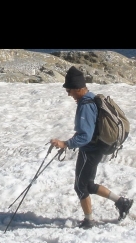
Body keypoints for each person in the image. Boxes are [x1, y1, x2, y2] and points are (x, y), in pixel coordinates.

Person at [50, 66, 133, 229]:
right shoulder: (92, 98)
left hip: (90, 150)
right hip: (97, 148)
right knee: (88, 184)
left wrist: (65, 143)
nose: (69, 94)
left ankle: (88, 221)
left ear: (79, 88)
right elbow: (89, 130)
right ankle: (122, 202)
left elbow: (85, 136)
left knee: (80, 186)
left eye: (70, 90)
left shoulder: (85, 105)